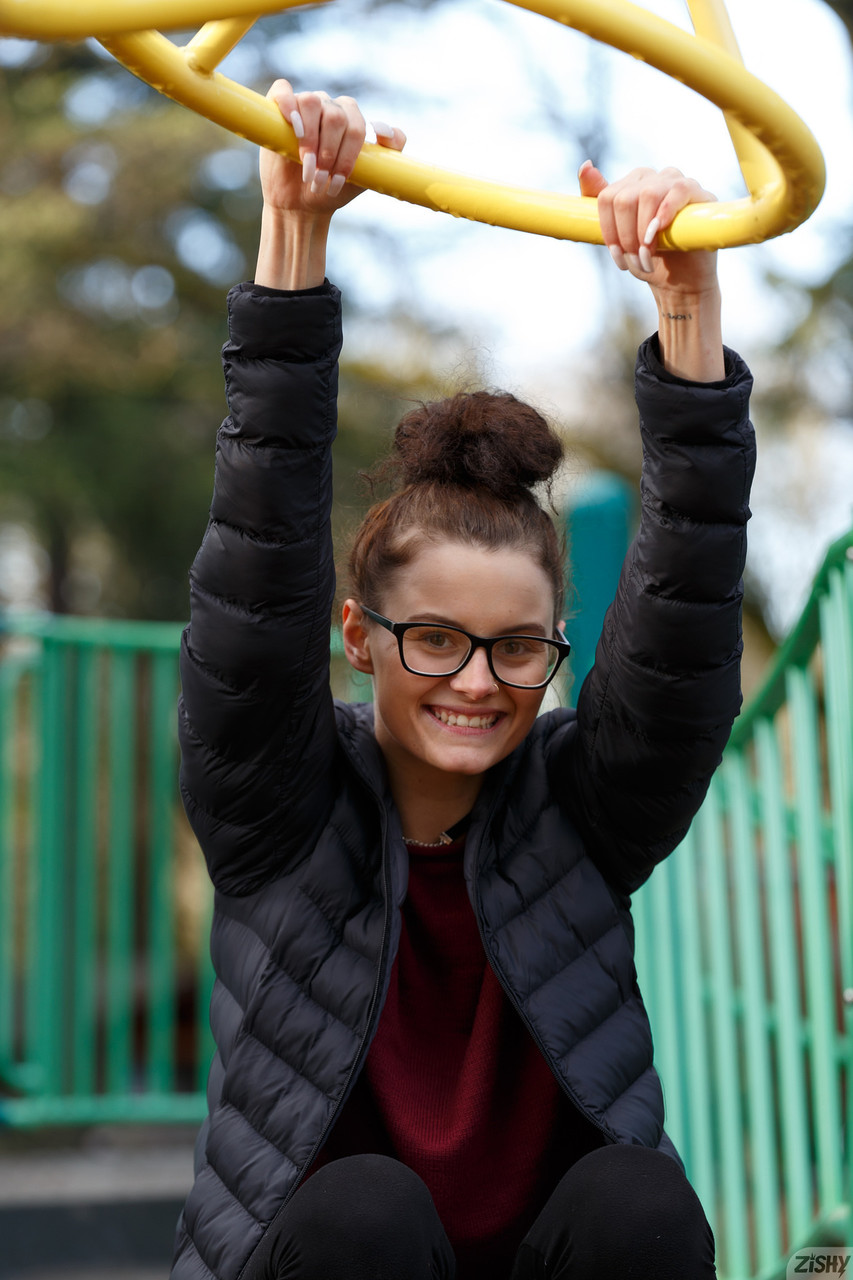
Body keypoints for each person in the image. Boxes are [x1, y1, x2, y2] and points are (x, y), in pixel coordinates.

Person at [172, 80, 755, 1280]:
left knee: (638, 1199)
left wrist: (687, 311)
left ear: (555, 651)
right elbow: (253, 582)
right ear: (358, 633)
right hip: (343, 1257)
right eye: (434, 637)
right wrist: (294, 236)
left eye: (517, 649)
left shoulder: (577, 812)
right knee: (363, 1209)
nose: (478, 683)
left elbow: (683, 642)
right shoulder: (278, 808)